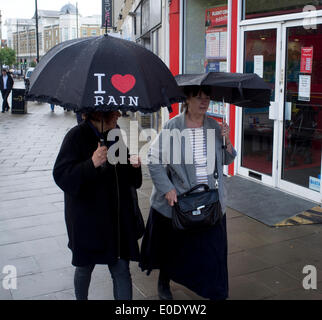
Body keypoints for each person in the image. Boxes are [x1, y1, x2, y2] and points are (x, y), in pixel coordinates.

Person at [139, 86, 237, 300]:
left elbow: (228, 160)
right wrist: (168, 188)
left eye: (207, 98)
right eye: (198, 97)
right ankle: (164, 280)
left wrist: (227, 140)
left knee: (213, 251)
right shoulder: (172, 127)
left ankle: (216, 292)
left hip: (210, 199)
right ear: (187, 100)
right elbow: (153, 160)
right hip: (182, 201)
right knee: (173, 248)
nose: (204, 102)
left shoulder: (214, 126)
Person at [53, 111, 142, 300]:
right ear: (101, 114)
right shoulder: (76, 136)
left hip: (116, 220)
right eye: (114, 111)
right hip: (88, 221)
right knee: (84, 267)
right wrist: (91, 163)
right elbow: (61, 175)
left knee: (121, 270)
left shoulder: (115, 134)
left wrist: (134, 165)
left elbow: (125, 176)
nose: (119, 114)